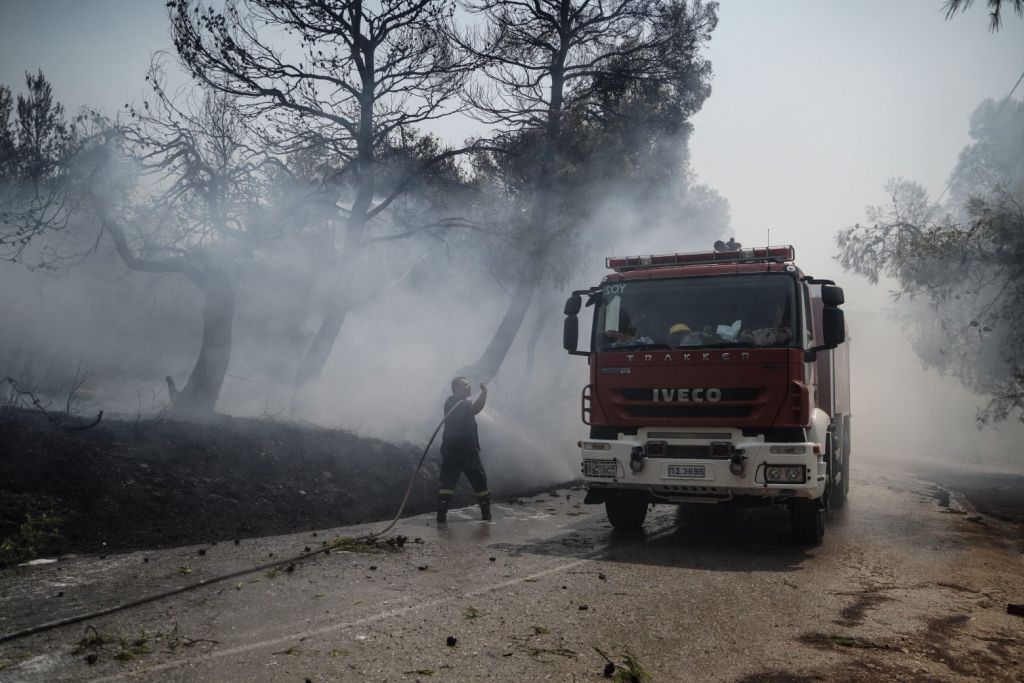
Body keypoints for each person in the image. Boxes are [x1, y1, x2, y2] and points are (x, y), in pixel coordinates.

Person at [437, 377, 490, 523]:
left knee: (448, 481)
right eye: (465, 385)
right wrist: (484, 392)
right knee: (478, 480)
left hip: (452, 450)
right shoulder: (456, 403)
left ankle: (441, 518)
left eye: (468, 384)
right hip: (465, 451)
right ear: (456, 389)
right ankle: (486, 517)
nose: (468, 387)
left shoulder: (452, 402)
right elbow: (476, 409)